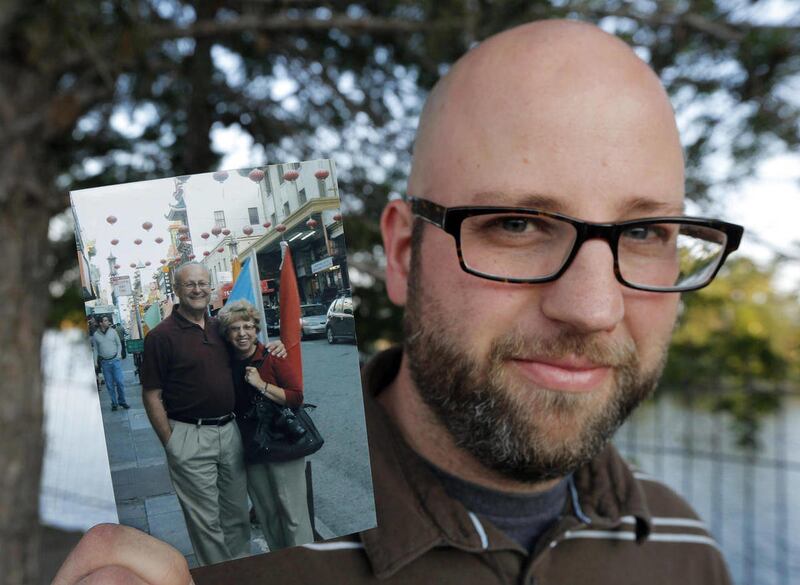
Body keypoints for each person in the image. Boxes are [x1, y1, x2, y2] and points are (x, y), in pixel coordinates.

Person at [54, 20, 742, 584]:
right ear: (403, 254)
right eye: (516, 223)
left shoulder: (685, 548)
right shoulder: (211, 562)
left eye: (648, 230)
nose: (594, 307)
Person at [137, 262, 286, 566]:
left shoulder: (221, 327)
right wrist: (172, 443)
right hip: (189, 436)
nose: (197, 290)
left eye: (203, 283)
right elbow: (152, 395)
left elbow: (252, 352)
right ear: (177, 290)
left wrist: (277, 347)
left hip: (229, 433)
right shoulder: (160, 337)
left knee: (236, 515)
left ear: (211, 288)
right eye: (189, 284)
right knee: (206, 524)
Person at [218, 299, 315, 551]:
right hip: (250, 447)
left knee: (293, 515)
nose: (242, 333)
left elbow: (296, 396)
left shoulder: (272, 356)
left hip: (283, 444)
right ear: (227, 334)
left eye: (247, 327)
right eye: (235, 328)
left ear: (256, 329)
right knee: (268, 515)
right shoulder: (224, 364)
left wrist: (261, 384)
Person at [91, 315, 129, 411]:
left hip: (115, 361)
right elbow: (95, 349)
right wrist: (95, 361)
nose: (108, 322)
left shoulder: (113, 331)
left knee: (120, 382)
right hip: (105, 363)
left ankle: (122, 401)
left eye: (107, 320)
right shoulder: (96, 335)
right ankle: (114, 403)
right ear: (100, 323)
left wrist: (119, 354)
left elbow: (119, 344)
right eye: (105, 320)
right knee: (109, 385)